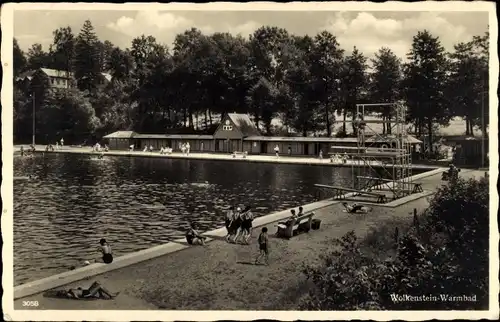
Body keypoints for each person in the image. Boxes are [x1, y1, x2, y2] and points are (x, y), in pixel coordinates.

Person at [54, 281, 119, 300]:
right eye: (61, 292)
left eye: (61, 290)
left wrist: (80, 289)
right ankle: (111, 295)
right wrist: (89, 298)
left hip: (86, 291)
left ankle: (101, 295)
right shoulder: (70, 293)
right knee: (99, 285)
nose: (62, 290)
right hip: (87, 294)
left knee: (96, 283)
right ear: (62, 294)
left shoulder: (70, 291)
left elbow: (78, 293)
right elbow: (77, 297)